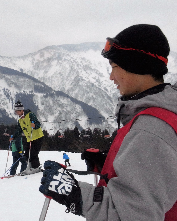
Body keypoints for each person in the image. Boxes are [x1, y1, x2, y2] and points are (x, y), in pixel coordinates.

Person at [39, 24, 177, 220]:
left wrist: (75, 194)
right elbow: (156, 175)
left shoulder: (151, 130)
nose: (111, 77)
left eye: (115, 67)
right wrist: (112, 163)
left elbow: (131, 214)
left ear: (137, 66)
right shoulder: (162, 114)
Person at [9, 100, 44, 175]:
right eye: (16, 111)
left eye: (17, 111)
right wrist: (13, 137)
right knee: (27, 154)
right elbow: (19, 130)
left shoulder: (30, 115)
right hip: (29, 138)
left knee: (33, 153)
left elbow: (38, 124)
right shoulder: (20, 120)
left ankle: (35, 167)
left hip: (37, 137)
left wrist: (34, 126)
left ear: (21, 110)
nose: (16, 112)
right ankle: (29, 167)